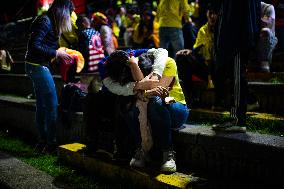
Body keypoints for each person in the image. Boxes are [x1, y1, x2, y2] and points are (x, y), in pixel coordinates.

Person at [103, 49, 189, 173]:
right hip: (150, 112)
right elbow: (142, 92)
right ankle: (141, 149)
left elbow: (155, 88)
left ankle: (168, 152)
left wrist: (141, 89)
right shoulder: (133, 72)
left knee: (156, 102)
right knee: (127, 105)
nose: (138, 80)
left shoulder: (168, 62)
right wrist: (139, 86)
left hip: (175, 106)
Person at [25, 0, 74, 153]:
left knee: (41, 105)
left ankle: (42, 141)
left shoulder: (50, 21)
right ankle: (51, 144)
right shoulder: (45, 21)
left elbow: (42, 44)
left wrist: (57, 51)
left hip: (36, 66)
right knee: (52, 105)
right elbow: (34, 45)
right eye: (70, 13)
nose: (70, 18)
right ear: (63, 11)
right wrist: (55, 52)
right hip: (37, 67)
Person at [212, 0, 261, 132]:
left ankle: (238, 119)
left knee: (237, 77)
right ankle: (239, 113)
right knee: (234, 77)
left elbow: (241, 15)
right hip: (235, 39)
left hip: (237, 40)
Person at [248, 1, 278, 72]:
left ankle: (265, 61)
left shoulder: (268, 8)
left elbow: (266, 24)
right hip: (251, 37)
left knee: (265, 31)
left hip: (267, 40)